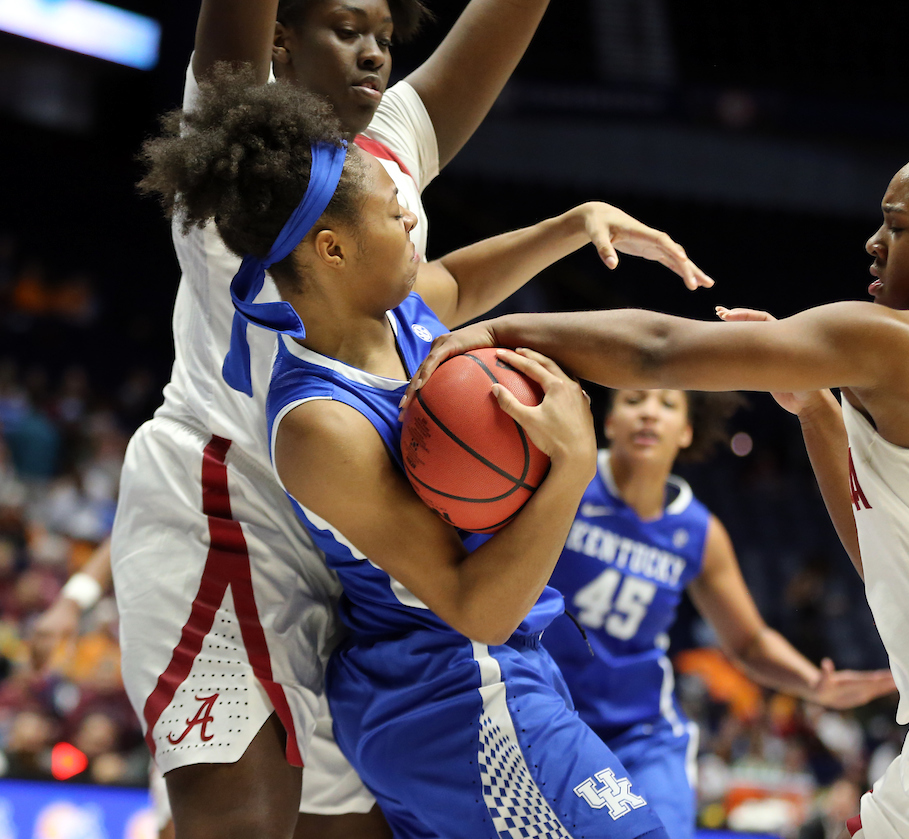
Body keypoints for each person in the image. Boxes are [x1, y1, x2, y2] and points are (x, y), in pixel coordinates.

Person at [409, 68, 909, 838]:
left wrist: (508, 329)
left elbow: (663, 349)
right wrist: (817, 412)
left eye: (898, 226)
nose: (874, 240)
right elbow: (887, 558)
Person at [111, 1, 708, 837]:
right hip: (231, 507)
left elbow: (453, 287)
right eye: (348, 30)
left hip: (362, 548)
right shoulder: (239, 180)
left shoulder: (379, 170)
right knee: (240, 819)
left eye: (384, 38)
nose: (375, 55)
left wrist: (572, 226)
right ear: (280, 36)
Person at [542, 387, 895, 839]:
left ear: (686, 432)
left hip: (639, 730)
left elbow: (748, 642)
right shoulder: (568, 480)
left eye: (667, 405)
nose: (649, 413)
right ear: (609, 422)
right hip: (547, 706)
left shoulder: (698, 531)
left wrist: (813, 684)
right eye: (634, 401)